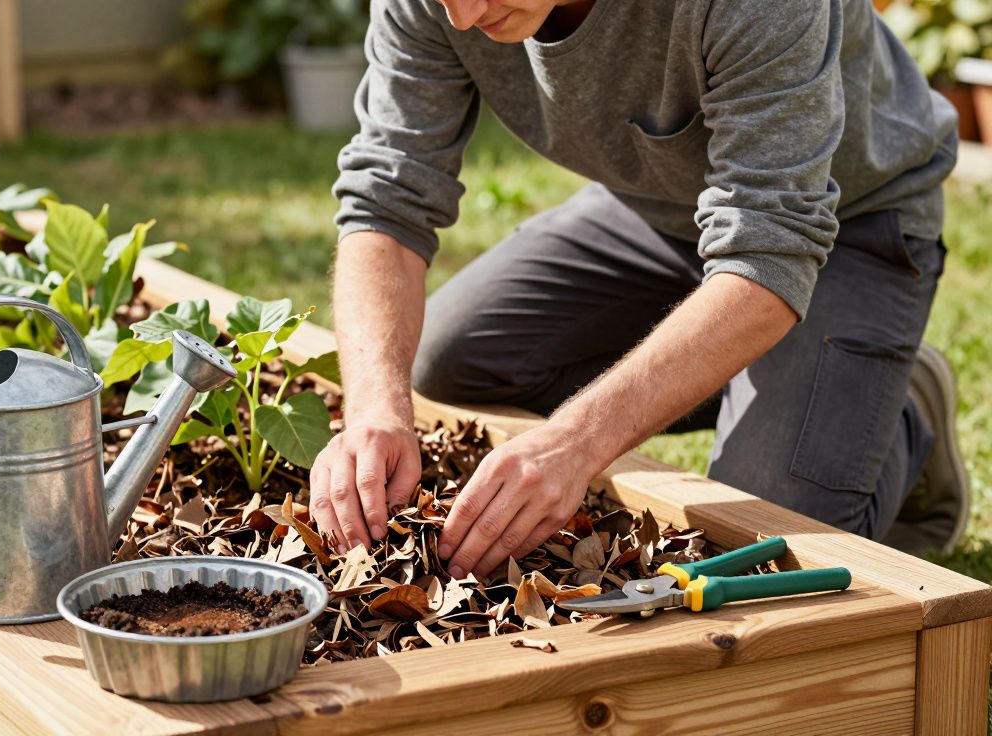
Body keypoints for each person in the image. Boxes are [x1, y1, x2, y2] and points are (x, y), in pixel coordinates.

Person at [309, 0, 969, 579]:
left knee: (758, 537)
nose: (462, 16)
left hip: (849, 218)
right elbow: (386, 202)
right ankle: (793, 383)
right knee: (444, 361)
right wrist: (372, 411)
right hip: (655, 209)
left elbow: (772, 245)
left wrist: (576, 442)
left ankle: (902, 414)